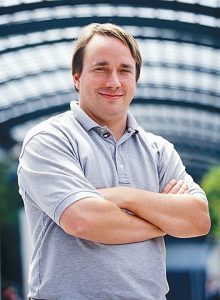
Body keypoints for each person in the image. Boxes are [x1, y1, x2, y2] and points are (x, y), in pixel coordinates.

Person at [17, 23, 211, 300]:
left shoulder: (159, 150)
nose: (114, 82)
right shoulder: (49, 139)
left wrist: (125, 197)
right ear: (76, 77)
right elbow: (83, 220)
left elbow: (198, 220)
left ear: (135, 79)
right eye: (101, 68)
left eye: (124, 70)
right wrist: (166, 221)